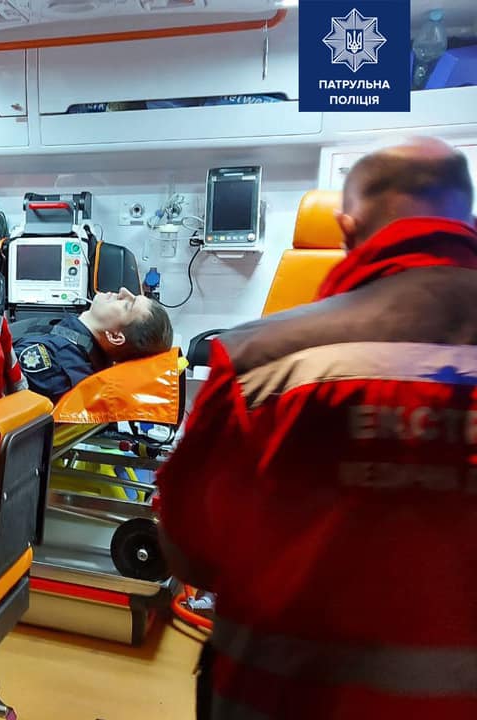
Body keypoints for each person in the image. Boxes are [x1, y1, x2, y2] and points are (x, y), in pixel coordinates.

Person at [156, 137, 477, 720]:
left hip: (282, 698)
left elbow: (189, 551)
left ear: (347, 230)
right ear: (466, 219)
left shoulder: (263, 362)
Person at [10, 287, 173, 402]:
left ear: (115, 336)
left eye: (127, 305)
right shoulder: (70, 342)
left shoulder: (56, 363)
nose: (123, 291)